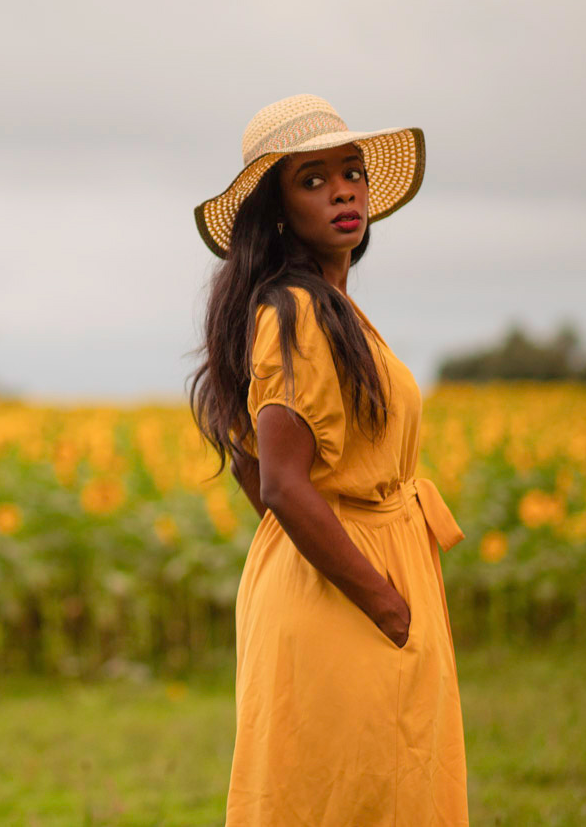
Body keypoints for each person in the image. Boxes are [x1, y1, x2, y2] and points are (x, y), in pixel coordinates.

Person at [187, 94, 471, 825]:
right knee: (353, 794)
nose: (344, 189)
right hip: (352, 590)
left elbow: (253, 459)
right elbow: (281, 481)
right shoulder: (297, 311)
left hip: (341, 570)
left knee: (372, 789)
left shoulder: (322, 306)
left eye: (352, 172)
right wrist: (383, 599)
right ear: (277, 213)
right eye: (312, 180)